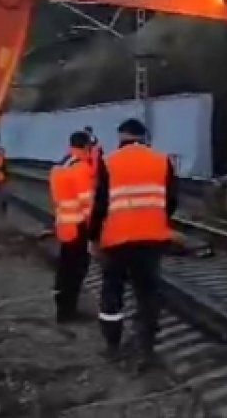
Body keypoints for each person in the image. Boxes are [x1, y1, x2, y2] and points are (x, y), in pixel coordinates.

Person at [87, 118, 177, 368]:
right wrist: (156, 219)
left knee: (113, 293)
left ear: (122, 137)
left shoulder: (109, 162)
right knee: (148, 292)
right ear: (144, 137)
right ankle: (146, 347)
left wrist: (93, 236)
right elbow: (171, 201)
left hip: (116, 240)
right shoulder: (162, 160)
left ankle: (113, 345)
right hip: (151, 239)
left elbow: (101, 205)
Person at [50, 131, 95, 323]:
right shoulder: (81, 168)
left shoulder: (60, 166)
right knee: (76, 270)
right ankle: (68, 312)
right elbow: (87, 203)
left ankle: (62, 308)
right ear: (85, 146)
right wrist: (95, 229)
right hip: (78, 227)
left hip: (64, 225)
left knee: (64, 269)